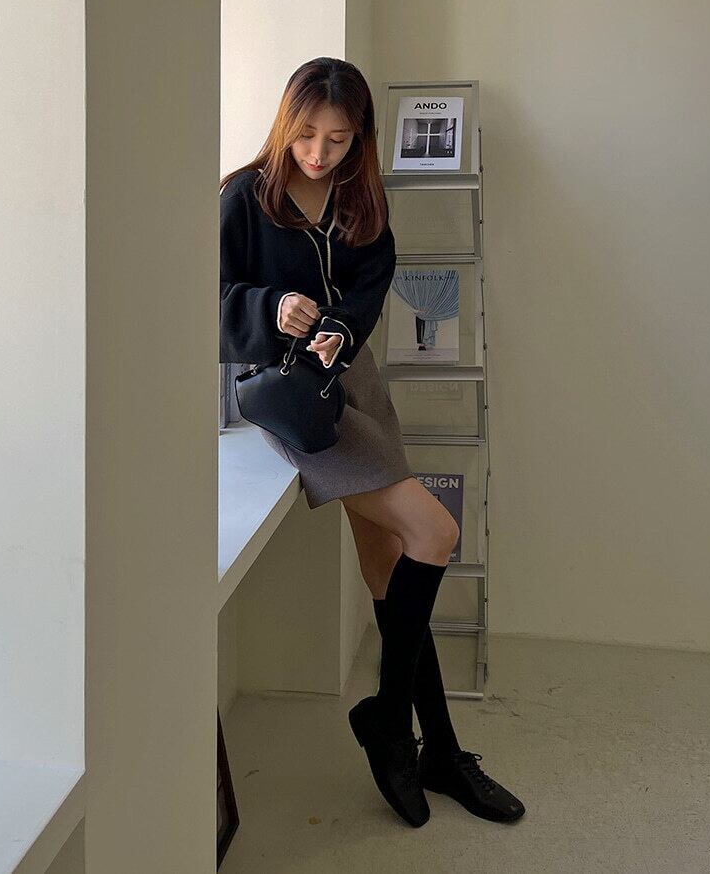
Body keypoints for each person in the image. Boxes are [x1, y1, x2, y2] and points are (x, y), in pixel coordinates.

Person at [220, 57, 525, 828]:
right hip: (290, 398)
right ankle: (391, 720)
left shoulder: (359, 200)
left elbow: (368, 287)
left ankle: (439, 750)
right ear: (286, 124)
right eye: (306, 136)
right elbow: (205, 295)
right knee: (435, 532)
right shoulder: (243, 197)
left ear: (360, 137)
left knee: (389, 566)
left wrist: (338, 329)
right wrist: (271, 307)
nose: (318, 154)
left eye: (338, 139)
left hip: (352, 382)